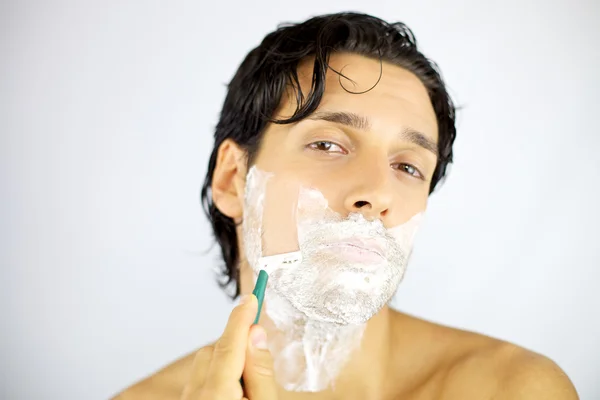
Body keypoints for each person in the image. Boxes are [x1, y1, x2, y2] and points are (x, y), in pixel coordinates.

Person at [115, 12, 578, 400]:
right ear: (234, 179)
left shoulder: (514, 389)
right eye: (328, 145)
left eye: (408, 167)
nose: (377, 193)